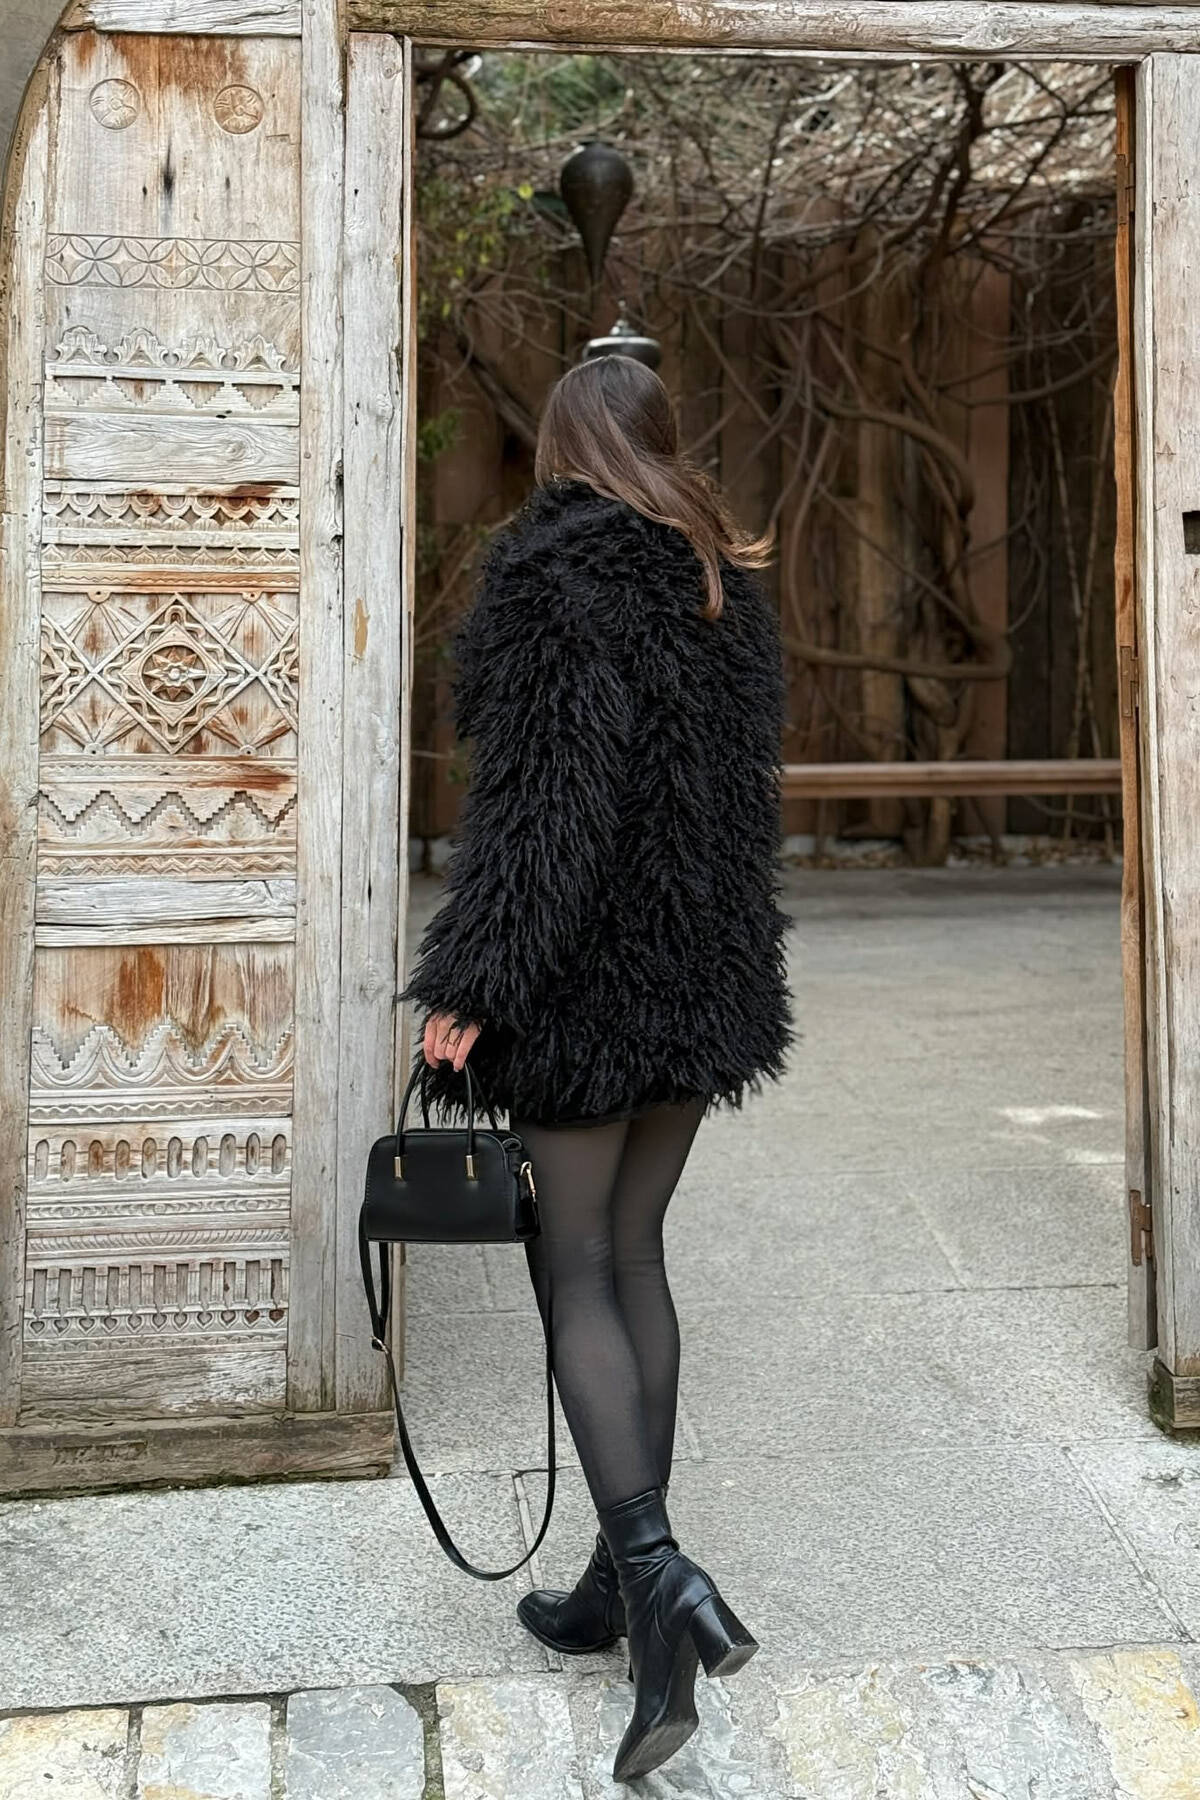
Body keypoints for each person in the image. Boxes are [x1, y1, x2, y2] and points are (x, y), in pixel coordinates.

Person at [400, 352, 793, 1782]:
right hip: (696, 979)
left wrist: (474, 983)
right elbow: (729, 809)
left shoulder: (550, 576)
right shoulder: (719, 581)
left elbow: (543, 810)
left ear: (563, 447)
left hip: (583, 987)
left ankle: (657, 1574)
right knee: (635, 1255)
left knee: (578, 1267)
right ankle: (619, 1590)